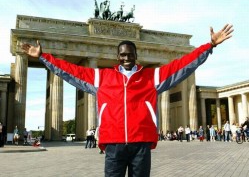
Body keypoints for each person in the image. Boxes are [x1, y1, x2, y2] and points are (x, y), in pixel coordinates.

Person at [21, 24, 233, 177]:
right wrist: (43, 57)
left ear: (135, 55)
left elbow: (182, 66)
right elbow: (71, 71)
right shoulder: (102, 77)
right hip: (113, 145)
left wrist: (209, 45)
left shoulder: (151, 78)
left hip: (141, 143)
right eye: (122, 55)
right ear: (117, 57)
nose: (126, 58)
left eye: (130, 54)